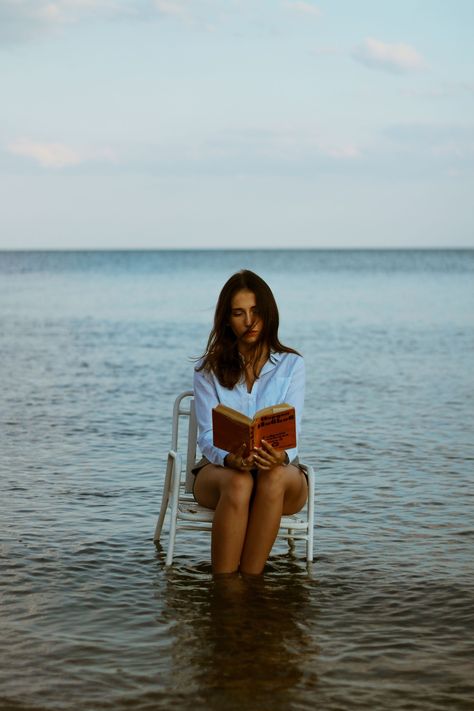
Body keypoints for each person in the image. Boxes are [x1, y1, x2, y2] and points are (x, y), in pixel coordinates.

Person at [192, 269, 308, 576]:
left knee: (273, 476)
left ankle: (252, 584)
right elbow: (205, 435)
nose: (249, 321)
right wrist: (229, 458)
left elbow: (292, 433)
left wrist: (281, 456)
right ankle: (227, 590)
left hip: (279, 474)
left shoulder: (292, 365)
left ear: (268, 313)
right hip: (220, 472)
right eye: (238, 313)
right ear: (227, 320)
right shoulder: (209, 370)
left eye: (256, 311)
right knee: (240, 482)